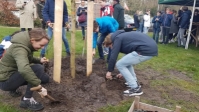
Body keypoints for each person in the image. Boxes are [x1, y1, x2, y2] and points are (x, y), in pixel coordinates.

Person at [0, 28, 50, 111]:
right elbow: (24, 69)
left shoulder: (25, 44)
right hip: (6, 81)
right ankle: (27, 100)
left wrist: (39, 60)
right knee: (37, 69)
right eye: (41, 45)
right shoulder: (20, 49)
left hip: (9, 75)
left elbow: (28, 58)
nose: (43, 47)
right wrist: (39, 87)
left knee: (44, 79)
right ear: (33, 40)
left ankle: (13, 88)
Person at [104, 30, 158, 96]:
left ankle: (135, 88)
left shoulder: (117, 39)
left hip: (145, 50)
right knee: (124, 62)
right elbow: (128, 59)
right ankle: (134, 82)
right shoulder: (122, 36)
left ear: (111, 43)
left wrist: (109, 71)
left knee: (119, 64)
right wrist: (122, 72)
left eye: (110, 47)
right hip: (150, 48)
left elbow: (113, 56)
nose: (111, 48)